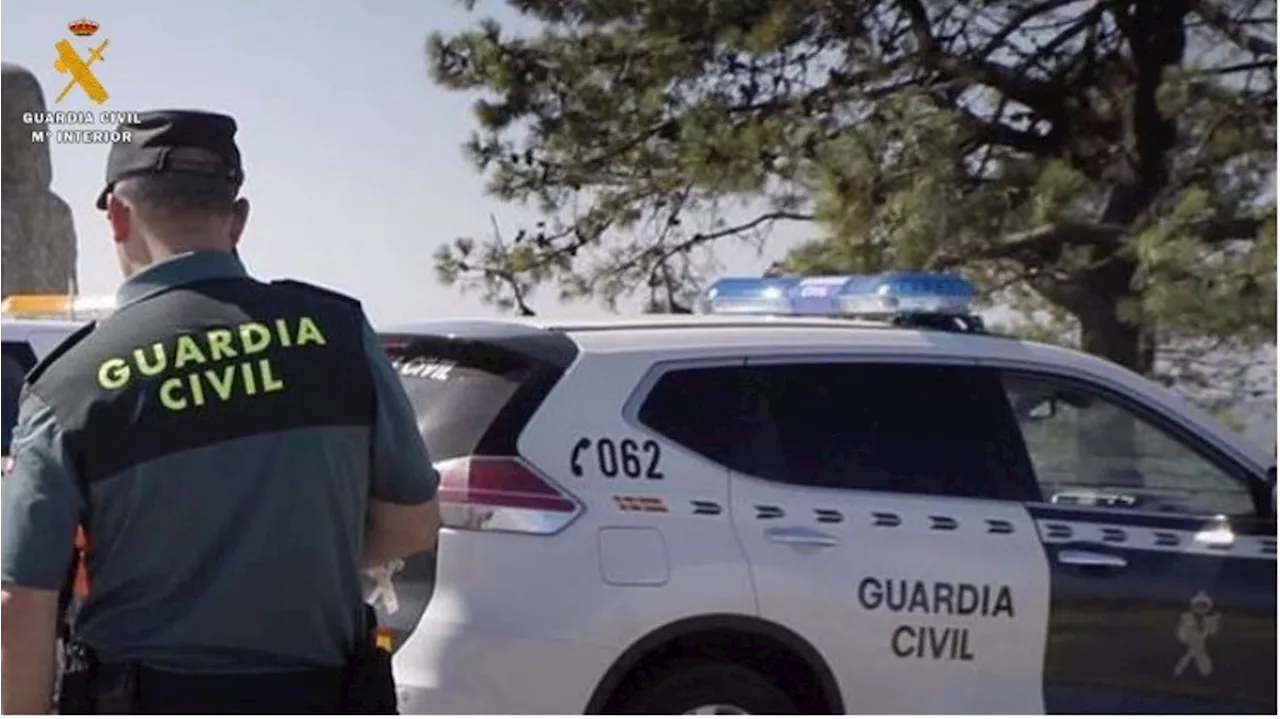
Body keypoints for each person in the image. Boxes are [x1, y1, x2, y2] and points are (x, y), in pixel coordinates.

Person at [0, 110, 440, 714]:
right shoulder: (339, 335)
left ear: (117, 217)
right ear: (238, 218)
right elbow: (411, 525)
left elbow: (20, 599)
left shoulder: (69, 384)